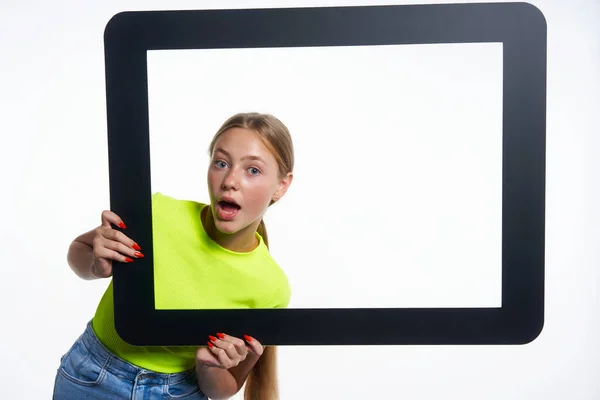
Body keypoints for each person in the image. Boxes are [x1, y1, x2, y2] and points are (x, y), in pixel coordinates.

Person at [53, 112, 295, 400]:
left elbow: (224, 389)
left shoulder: (271, 287)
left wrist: (209, 366)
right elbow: (77, 251)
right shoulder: (158, 212)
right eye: (221, 163)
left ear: (281, 185)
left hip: (178, 392)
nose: (230, 180)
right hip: (91, 377)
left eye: (252, 170)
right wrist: (95, 262)